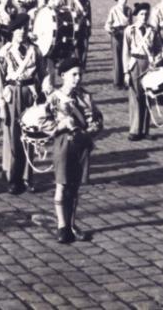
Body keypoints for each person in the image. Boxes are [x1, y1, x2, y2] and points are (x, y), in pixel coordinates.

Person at [48, 56, 102, 244]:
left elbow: (97, 119)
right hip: (64, 144)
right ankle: (62, 226)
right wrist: (61, 125)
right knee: (62, 185)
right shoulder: (54, 98)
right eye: (73, 75)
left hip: (82, 145)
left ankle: (72, 223)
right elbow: (43, 124)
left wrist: (92, 129)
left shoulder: (85, 96)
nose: (77, 78)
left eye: (80, 74)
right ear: (63, 76)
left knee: (75, 186)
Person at [0, 13, 45, 194]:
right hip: (12, 94)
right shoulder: (5, 51)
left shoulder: (35, 50)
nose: (22, 32)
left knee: (30, 134)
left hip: (29, 94)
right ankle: (12, 177)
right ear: (13, 31)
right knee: (13, 137)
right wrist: (1, 104)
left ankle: (27, 177)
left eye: (25, 28)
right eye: (18, 29)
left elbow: (42, 73)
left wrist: (42, 94)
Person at [122, 2, 163, 141]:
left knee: (148, 97)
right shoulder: (130, 30)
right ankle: (134, 130)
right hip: (135, 64)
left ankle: (144, 129)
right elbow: (125, 52)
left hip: (148, 65)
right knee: (135, 97)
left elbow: (159, 48)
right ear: (136, 16)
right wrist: (126, 72)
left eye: (146, 14)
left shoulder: (152, 31)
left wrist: (157, 59)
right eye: (141, 14)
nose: (144, 17)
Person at [104, 0, 132, 89]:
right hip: (116, 34)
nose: (125, 0)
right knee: (117, 58)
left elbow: (131, 24)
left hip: (126, 34)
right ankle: (117, 82)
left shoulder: (129, 10)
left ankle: (126, 81)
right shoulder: (114, 10)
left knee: (126, 57)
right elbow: (108, 24)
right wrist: (111, 31)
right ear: (118, 0)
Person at [69, 0, 92, 69]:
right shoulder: (73, 2)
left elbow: (89, 16)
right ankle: (76, 65)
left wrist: (89, 29)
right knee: (76, 48)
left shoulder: (87, 2)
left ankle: (83, 66)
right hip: (76, 28)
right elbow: (71, 15)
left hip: (84, 28)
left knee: (85, 47)